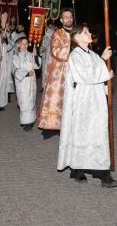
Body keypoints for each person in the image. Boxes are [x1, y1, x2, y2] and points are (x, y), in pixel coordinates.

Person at [57, 25, 117, 188]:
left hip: (96, 100)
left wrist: (105, 68)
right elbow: (86, 75)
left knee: (98, 132)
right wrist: (103, 66)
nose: (89, 33)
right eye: (85, 32)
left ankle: (101, 169)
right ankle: (79, 168)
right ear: (76, 37)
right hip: (83, 101)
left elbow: (100, 73)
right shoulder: (75, 56)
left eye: (89, 31)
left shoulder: (92, 54)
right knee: (83, 133)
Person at [37, 8, 73, 138]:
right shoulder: (57, 34)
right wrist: (72, 48)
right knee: (54, 98)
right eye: (66, 17)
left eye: (70, 16)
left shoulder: (77, 32)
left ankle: (70, 126)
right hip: (59, 71)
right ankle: (51, 127)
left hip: (75, 72)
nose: (68, 19)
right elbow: (56, 51)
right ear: (62, 19)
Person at [12, 37, 41, 131]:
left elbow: (37, 66)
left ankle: (30, 121)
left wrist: (36, 56)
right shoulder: (15, 56)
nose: (25, 45)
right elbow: (16, 68)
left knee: (31, 100)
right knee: (24, 101)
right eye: (22, 43)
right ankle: (26, 121)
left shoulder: (31, 54)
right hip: (22, 82)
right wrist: (27, 73)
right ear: (18, 45)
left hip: (31, 82)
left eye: (26, 43)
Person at [40, 19, 56, 86]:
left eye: (51, 27)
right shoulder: (45, 36)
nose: (50, 29)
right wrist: (42, 50)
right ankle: (44, 85)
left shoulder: (56, 35)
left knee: (51, 71)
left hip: (53, 56)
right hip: (46, 55)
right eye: (49, 27)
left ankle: (49, 85)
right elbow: (42, 45)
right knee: (45, 70)